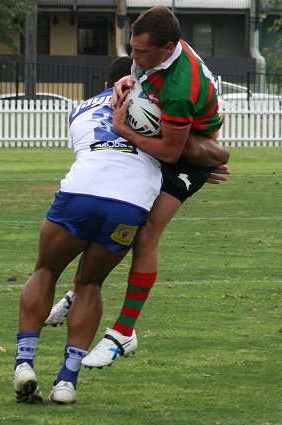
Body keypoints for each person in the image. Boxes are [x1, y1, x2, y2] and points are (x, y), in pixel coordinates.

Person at [45, 6, 230, 370]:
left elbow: (172, 150)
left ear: (167, 48)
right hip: (167, 135)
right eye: (133, 48)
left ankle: (123, 333)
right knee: (120, 218)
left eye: (141, 52)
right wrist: (126, 80)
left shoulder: (181, 87)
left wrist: (124, 130)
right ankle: (78, 290)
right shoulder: (155, 51)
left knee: (143, 235)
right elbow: (143, 82)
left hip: (185, 152)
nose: (134, 57)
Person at [13, 56, 163, 405]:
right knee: (90, 283)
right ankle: (67, 381)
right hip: (129, 202)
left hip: (81, 190)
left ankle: (24, 362)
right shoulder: (155, 102)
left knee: (47, 269)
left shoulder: (80, 107)